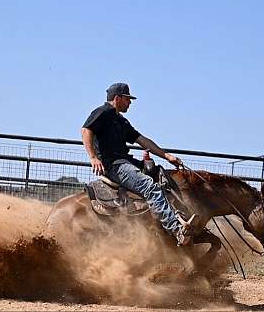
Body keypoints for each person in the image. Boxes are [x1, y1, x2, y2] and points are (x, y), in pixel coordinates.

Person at [81, 82, 192, 246]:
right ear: (118, 98)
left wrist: (166, 156)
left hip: (125, 162)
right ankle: (176, 229)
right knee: (149, 186)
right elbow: (86, 130)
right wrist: (93, 158)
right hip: (114, 165)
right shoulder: (103, 112)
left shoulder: (121, 121)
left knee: (161, 175)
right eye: (127, 99)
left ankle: (174, 216)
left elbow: (142, 140)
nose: (130, 102)